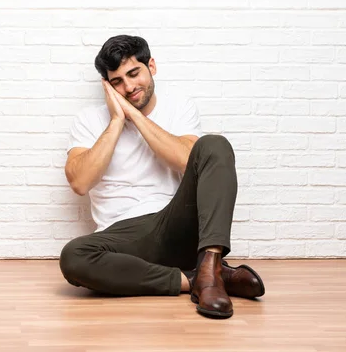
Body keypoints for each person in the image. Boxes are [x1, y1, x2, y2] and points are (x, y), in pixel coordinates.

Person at [59, 35, 265, 319]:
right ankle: (202, 278)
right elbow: (80, 182)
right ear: (106, 86)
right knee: (73, 257)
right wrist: (117, 121)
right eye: (117, 81)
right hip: (123, 237)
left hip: (174, 224)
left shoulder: (179, 107)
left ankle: (210, 261)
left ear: (151, 66)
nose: (129, 87)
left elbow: (188, 160)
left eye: (134, 73)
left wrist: (135, 115)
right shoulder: (89, 120)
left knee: (214, 145)